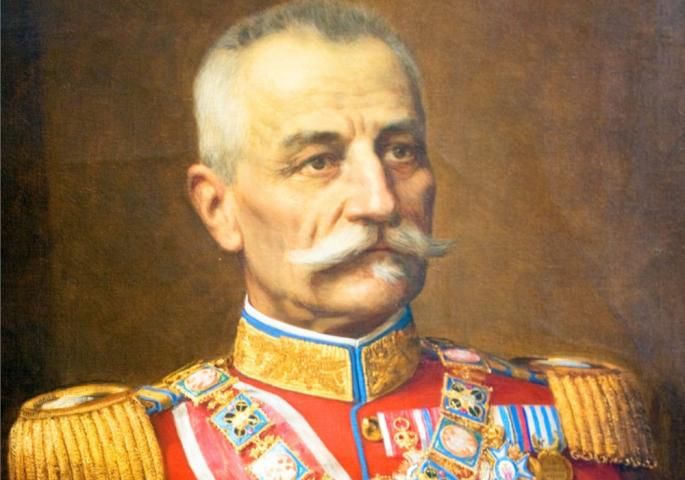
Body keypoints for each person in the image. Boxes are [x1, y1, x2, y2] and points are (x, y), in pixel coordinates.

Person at [8, 1, 657, 479]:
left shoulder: (565, 424)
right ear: (218, 208)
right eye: (318, 161)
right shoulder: (130, 456)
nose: (380, 201)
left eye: (400, 151)